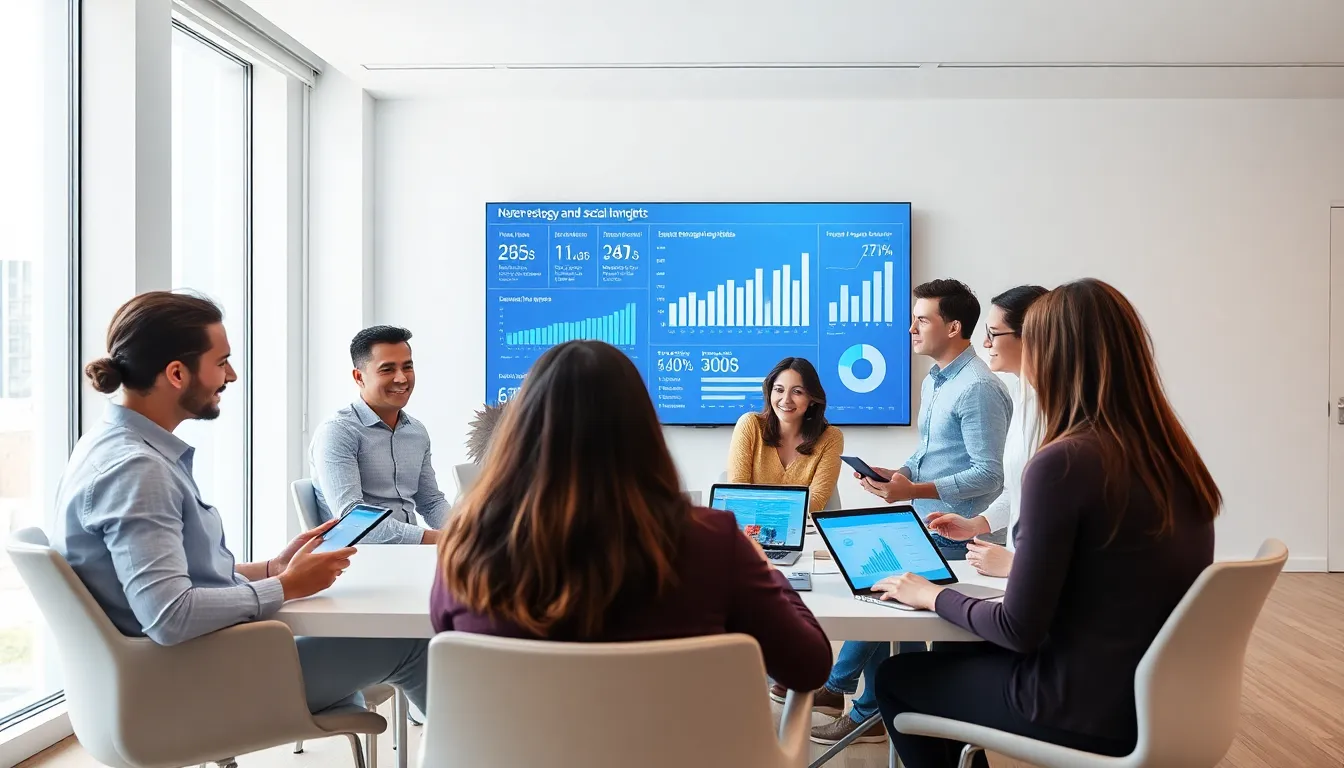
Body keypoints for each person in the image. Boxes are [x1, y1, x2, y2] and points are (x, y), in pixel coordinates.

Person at [872, 279, 1221, 768]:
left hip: (1081, 705)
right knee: (958, 662)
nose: (995, 345)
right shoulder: (1175, 458)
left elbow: (1017, 629)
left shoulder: (1063, 462)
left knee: (896, 677)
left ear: (1053, 352)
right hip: (1158, 698)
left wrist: (931, 595)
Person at [53, 291, 427, 715]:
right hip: (188, 687)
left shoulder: (112, 446)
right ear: (177, 373)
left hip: (180, 668)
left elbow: (170, 580)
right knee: (415, 641)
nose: (231, 376)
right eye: (221, 362)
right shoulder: (138, 471)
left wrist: (272, 568)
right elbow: (170, 615)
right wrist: (285, 586)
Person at [430, 341, 833, 696]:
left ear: (520, 431)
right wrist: (767, 570)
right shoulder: (713, 542)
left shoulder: (468, 545)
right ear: (643, 429)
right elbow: (809, 665)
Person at [809, 279, 1012, 746]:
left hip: (959, 538)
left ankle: (850, 697)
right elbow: (933, 452)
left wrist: (911, 488)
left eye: (922, 320)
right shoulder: (937, 379)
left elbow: (988, 475)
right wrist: (895, 475)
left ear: (954, 326)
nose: (911, 329)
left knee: (907, 626)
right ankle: (868, 708)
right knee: (883, 603)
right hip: (928, 523)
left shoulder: (978, 387)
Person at [925, 285, 1049, 577]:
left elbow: (1059, 516)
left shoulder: (1055, 410)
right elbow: (1019, 490)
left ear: (1030, 335)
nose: (985, 342)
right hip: (1020, 568)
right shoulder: (1022, 394)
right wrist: (977, 523)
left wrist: (1018, 566)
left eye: (993, 333)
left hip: (1032, 572)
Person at [310, 325, 448, 545]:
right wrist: (437, 540)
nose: (402, 379)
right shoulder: (338, 432)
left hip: (412, 554)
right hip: (360, 559)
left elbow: (430, 502)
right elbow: (353, 521)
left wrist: (463, 532)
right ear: (359, 377)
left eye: (408, 367)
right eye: (387, 369)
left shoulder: (416, 431)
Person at [727, 357, 844, 513]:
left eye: (797, 391)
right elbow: (738, 496)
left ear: (812, 399)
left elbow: (816, 501)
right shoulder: (750, 424)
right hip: (750, 529)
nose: (786, 400)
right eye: (779, 390)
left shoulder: (831, 437)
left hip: (802, 532)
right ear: (770, 392)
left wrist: (762, 506)